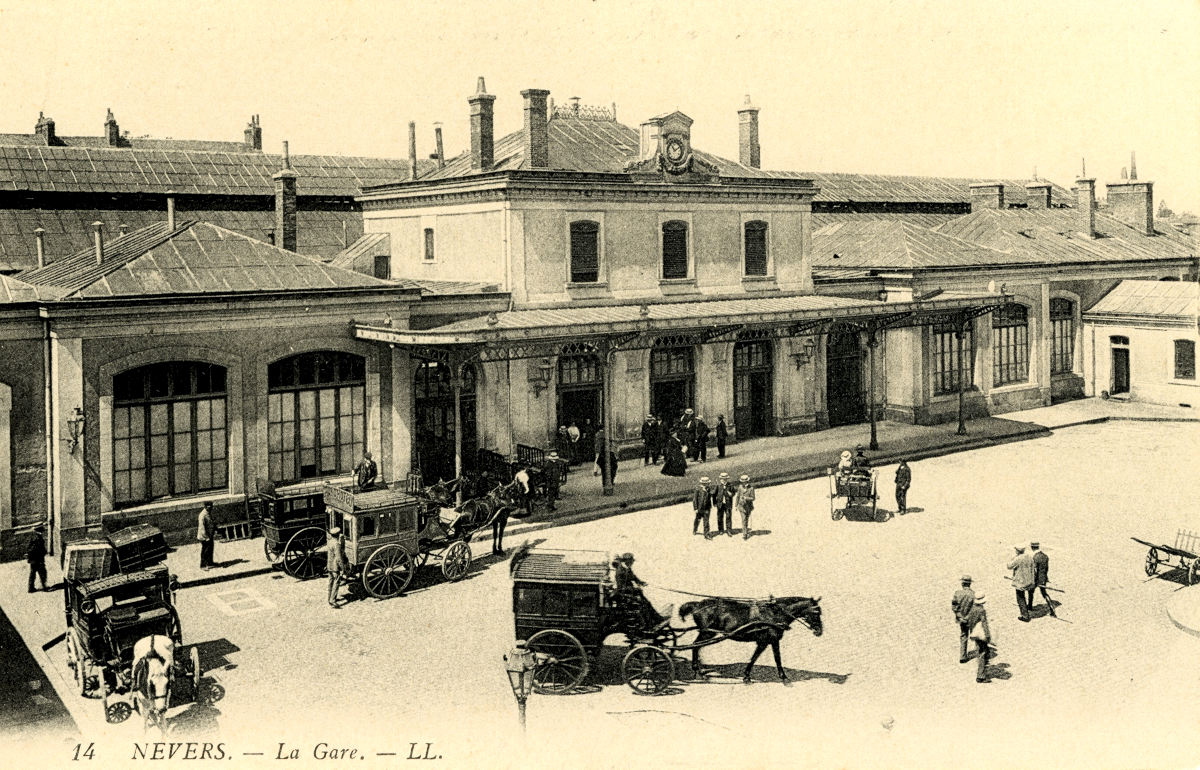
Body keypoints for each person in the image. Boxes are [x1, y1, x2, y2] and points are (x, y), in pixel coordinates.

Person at [963, 592, 992, 683]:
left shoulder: (972, 608)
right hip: (980, 634)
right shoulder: (981, 610)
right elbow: (984, 623)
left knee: (982, 650)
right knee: (982, 653)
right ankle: (981, 675)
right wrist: (987, 635)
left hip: (974, 632)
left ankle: (984, 665)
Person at [951, 575, 975, 663]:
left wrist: (960, 616)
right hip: (971, 619)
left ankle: (963, 656)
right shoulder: (973, 594)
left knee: (964, 635)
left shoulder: (957, 593)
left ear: (962, 583)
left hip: (962, 619)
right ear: (970, 584)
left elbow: (954, 606)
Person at [1007, 544, 1034, 622]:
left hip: (1020, 582)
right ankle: (1029, 608)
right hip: (1029, 581)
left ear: (1017, 551)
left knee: (1020, 598)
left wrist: (1013, 558)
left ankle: (1025, 616)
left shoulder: (1018, 558)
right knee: (1025, 596)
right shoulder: (1029, 557)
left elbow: (1009, 566)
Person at [1029, 542, 1056, 617]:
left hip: (1036, 579)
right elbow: (1046, 568)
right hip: (1043, 578)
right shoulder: (1045, 556)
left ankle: (1030, 607)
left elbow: (1035, 571)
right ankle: (1052, 609)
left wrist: (1033, 580)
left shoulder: (1035, 557)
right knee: (1044, 593)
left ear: (1032, 547)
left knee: (1030, 591)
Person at [326, 526, 349, 607]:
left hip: (329, 565)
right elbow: (339, 558)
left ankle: (329, 598)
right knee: (337, 582)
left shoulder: (329, 542)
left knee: (330, 582)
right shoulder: (337, 545)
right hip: (335, 567)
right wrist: (343, 569)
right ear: (337, 535)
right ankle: (333, 600)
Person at [26, 525, 47, 592]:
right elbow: (38, 549)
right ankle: (44, 587)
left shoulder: (33, 536)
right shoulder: (38, 538)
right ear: (40, 530)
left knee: (33, 573)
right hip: (37, 559)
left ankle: (30, 588)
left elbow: (29, 547)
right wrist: (43, 553)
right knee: (42, 572)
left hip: (33, 559)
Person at [734, 474, 756, 540]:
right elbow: (737, 496)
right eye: (742, 482)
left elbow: (753, 498)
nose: (743, 483)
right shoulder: (740, 487)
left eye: (744, 482)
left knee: (746, 519)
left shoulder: (751, 488)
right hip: (741, 506)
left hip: (748, 507)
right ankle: (745, 534)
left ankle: (746, 530)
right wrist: (736, 505)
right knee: (743, 520)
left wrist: (746, 498)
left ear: (747, 481)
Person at [715, 472, 735, 536]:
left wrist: (730, 494)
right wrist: (715, 503)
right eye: (722, 479)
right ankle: (721, 530)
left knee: (728, 517)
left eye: (724, 479)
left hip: (728, 504)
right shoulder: (718, 486)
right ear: (720, 479)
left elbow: (733, 493)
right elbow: (714, 494)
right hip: (720, 504)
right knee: (720, 517)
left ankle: (729, 530)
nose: (723, 480)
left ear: (727, 479)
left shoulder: (730, 485)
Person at [197, 501, 216, 570]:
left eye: (211, 505)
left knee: (210, 549)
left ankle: (210, 563)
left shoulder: (208, 513)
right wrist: (206, 537)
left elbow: (211, 522)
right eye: (209, 506)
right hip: (204, 536)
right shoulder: (202, 515)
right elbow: (202, 527)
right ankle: (203, 565)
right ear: (205, 506)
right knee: (205, 551)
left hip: (210, 535)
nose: (211, 507)